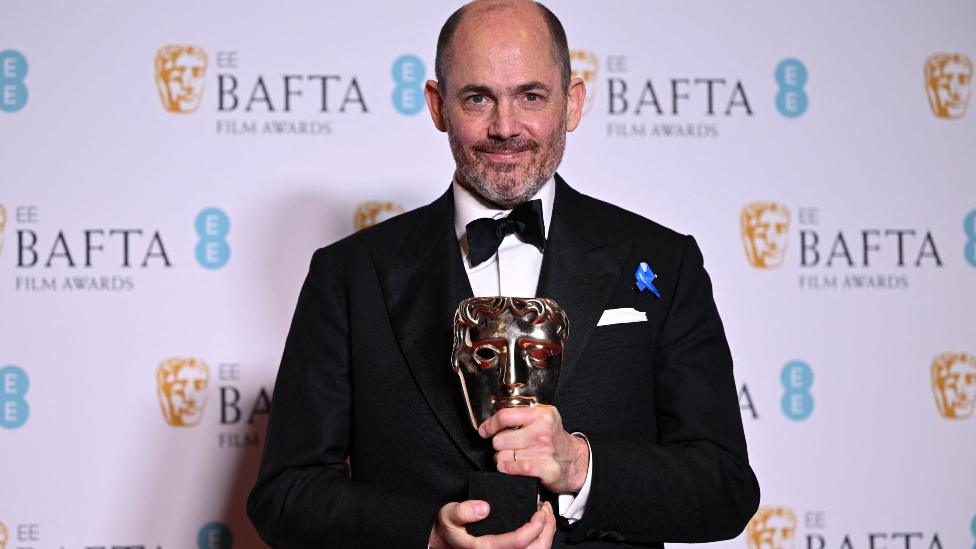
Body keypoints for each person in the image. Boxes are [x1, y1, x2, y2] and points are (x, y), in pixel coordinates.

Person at [247, 1, 759, 547]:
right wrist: (424, 535)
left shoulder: (664, 260)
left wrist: (581, 466)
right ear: (438, 106)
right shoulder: (349, 274)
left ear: (573, 103)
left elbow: (724, 490)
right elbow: (285, 495)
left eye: (531, 96)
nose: (505, 128)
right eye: (477, 98)